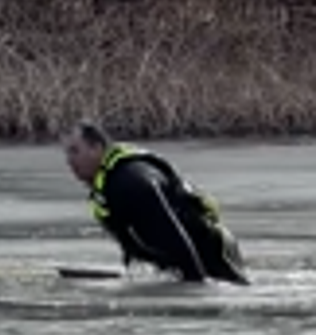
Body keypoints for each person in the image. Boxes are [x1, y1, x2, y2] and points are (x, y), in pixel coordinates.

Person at [62, 120, 250, 285]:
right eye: (67, 153)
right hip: (183, 260)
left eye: (75, 151)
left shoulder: (132, 181)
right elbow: (132, 240)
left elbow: (176, 237)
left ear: (97, 148)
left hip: (211, 253)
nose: (69, 161)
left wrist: (196, 285)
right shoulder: (109, 184)